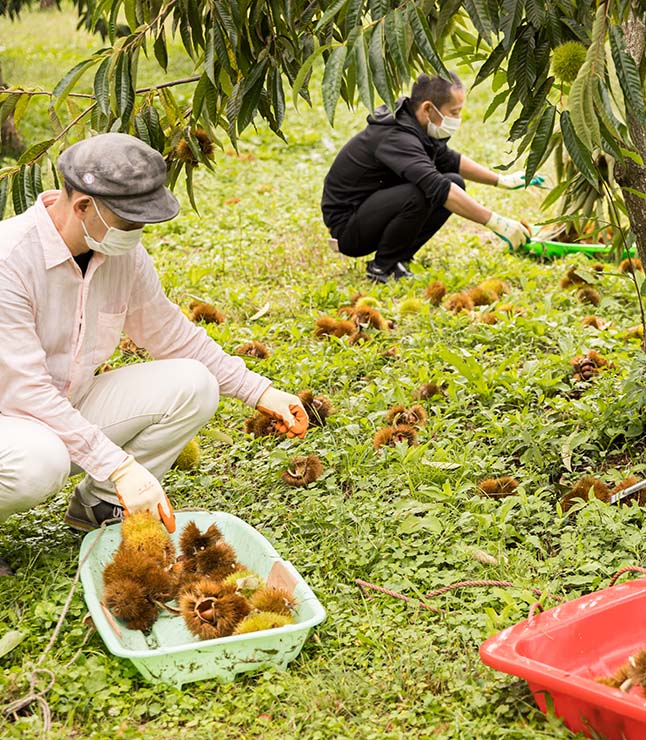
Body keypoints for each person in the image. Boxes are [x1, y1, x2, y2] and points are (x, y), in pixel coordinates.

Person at [0, 132, 308, 575]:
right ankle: (113, 486)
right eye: (129, 221)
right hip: (16, 416)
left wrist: (261, 392)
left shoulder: (118, 253)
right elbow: (25, 393)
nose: (137, 233)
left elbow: (171, 334)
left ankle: (99, 509)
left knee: (192, 382)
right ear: (84, 206)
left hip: (59, 410)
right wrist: (121, 466)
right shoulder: (11, 260)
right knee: (39, 461)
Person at [321, 72, 540, 283]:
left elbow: (450, 160)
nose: (458, 119)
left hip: (373, 210)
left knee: (455, 182)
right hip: (349, 228)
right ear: (428, 108)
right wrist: (497, 223)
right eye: (454, 112)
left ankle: (399, 259)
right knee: (423, 192)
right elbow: (437, 187)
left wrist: (501, 180)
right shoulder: (397, 137)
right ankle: (382, 267)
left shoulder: (416, 126)